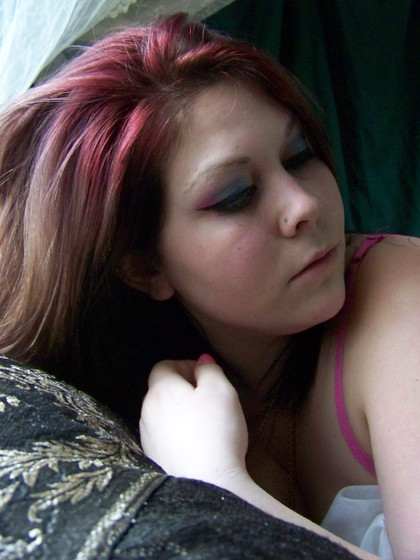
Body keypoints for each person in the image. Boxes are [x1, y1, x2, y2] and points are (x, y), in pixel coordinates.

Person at [0, 12, 416, 560]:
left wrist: (218, 483)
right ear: (144, 268)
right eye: (235, 196)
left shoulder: (399, 296)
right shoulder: (145, 403)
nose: (304, 204)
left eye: (299, 156)